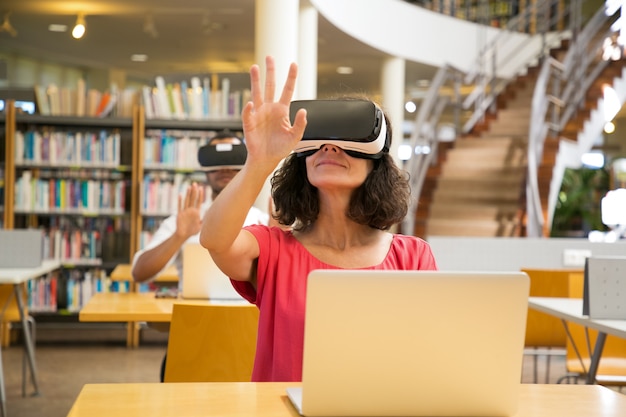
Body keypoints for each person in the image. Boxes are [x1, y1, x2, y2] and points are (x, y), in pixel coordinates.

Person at [198, 56, 438, 382]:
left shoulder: (412, 257)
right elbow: (214, 239)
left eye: (346, 141)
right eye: (318, 143)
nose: (328, 148)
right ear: (302, 161)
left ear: (375, 164)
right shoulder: (271, 251)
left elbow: (427, 349)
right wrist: (258, 162)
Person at [131, 130, 270, 382]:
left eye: (233, 158)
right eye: (215, 161)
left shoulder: (265, 222)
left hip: (252, 343)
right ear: (205, 169)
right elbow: (139, 273)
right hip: (191, 341)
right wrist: (179, 236)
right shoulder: (187, 218)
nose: (224, 168)